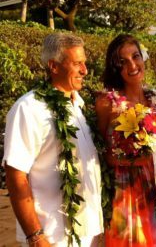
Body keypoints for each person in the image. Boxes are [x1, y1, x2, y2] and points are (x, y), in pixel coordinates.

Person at [2, 33, 103, 246]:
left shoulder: (79, 106)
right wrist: (36, 236)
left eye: (84, 63)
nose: (85, 70)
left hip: (88, 233)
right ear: (53, 66)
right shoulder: (29, 108)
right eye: (77, 64)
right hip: (52, 236)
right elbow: (15, 175)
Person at [95, 34, 156, 246]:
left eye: (136, 56)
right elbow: (98, 152)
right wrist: (131, 160)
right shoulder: (107, 103)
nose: (132, 65)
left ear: (143, 58)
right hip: (123, 189)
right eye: (122, 62)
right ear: (115, 68)